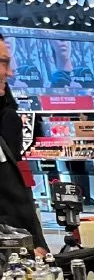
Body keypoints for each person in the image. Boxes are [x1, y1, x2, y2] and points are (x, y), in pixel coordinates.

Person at [0, 34, 47, 255]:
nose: (9, 72)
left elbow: (14, 191)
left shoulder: (7, 119)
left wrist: (36, 242)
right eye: (2, 62)